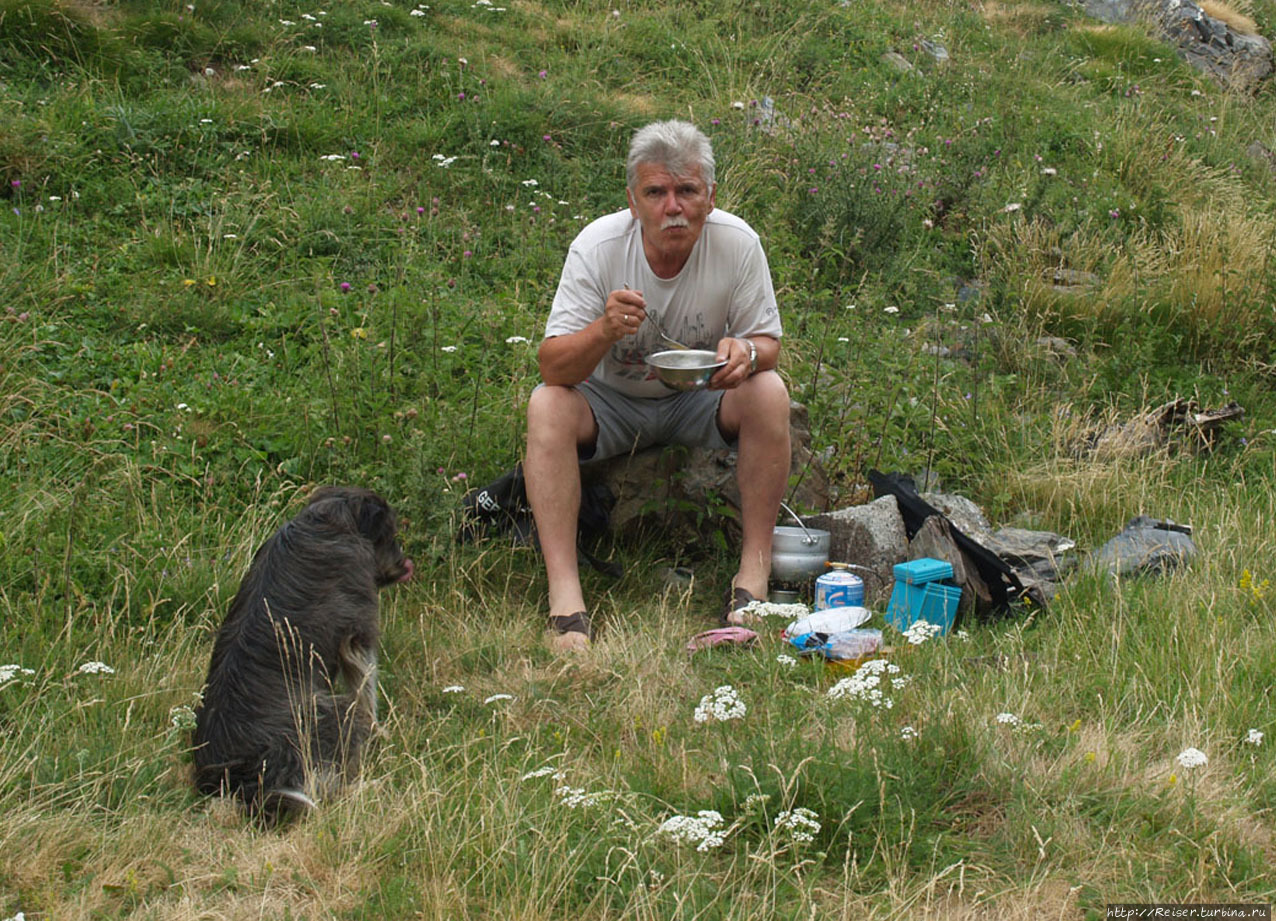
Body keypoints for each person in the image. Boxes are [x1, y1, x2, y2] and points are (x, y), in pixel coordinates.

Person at [524, 119, 790, 652]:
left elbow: (769, 342)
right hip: (610, 404)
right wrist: (603, 330)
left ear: (709, 198)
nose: (674, 207)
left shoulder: (737, 243)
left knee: (769, 390)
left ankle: (751, 579)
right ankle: (566, 601)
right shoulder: (597, 247)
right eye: (657, 192)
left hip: (700, 396)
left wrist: (748, 353)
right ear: (633, 201)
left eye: (687, 191)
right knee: (546, 405)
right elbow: (552, 367)